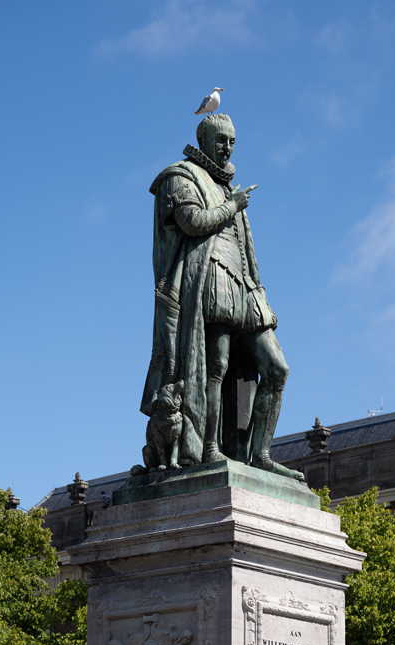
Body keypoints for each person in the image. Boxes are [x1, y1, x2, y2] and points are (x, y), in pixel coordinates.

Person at [142, 113, 304, 481]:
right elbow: (191, 222)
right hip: (209, 280)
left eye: (231, 140)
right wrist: (232, 206)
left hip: (243, 285)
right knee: (215, 367)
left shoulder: (226, 185)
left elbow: (245, 247)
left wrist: (258, 289)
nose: (227, 147)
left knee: (276, 368)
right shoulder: (180, 176)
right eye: (220, 139)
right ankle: (210, 447)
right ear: (203, 140)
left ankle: (261, 455)